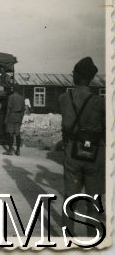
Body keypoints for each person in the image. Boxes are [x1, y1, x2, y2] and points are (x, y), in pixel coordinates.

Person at [59, 57, 105, 237]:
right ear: (91, 78)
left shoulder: (64, 98)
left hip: (72, 152)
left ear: (76, 76)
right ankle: (93, 240)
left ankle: (67, 239)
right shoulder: (99, 102)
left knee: (70, 199)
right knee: (93, 201)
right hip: (94, 154)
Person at [3, 86, 25, 156]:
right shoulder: (22, 98)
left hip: (12, 115)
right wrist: (21, 118)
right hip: (19, 116)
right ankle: (18, 150)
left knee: (10, 133)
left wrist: (6, 118)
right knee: (17, 133)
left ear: (14, 90)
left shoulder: (11, 97)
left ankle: (10, 150)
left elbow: (8, 109)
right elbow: (23, 110)